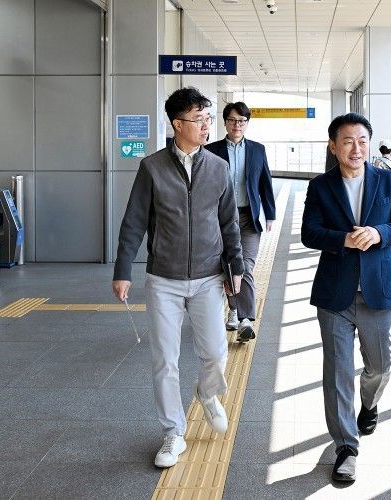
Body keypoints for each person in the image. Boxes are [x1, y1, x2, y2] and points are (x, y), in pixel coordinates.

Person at [112, 87, 244, 469]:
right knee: (165, 360)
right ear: (177, 124)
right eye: (198, 119)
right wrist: (123, 270)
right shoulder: (152, 167)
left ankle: (207, 392)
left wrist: (236, 268)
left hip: (208, 277)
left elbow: (229, 223)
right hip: (163, 280)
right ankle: (173, 432)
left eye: (207, 118)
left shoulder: (218, 167)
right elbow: (134, 221)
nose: (206, 126)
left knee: (216, 352)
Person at [301, 113, 391, 483]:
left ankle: (369, 403)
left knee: (380, 366)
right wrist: (343, 239)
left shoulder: (388, 181)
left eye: (362, 140)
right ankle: (346, 448)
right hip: (335, 293)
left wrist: (379, 233)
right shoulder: (321, 186)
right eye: (348, 141)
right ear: (333, 146)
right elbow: (309, 232)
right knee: (337, 372)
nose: (356, 148)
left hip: (378, 290)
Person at [205, 102, 276, 343]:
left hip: (248, 218)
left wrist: (270, 214)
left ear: (247, 123)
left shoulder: (257, 149)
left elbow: (265, 182)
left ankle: (245, 318)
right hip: (221, 218)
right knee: (227, 265)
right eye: (233, 120)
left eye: (242, 121)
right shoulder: (211, 150)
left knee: (244, 265)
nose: (237, 125)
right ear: (225, 122)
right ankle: (234, 310)